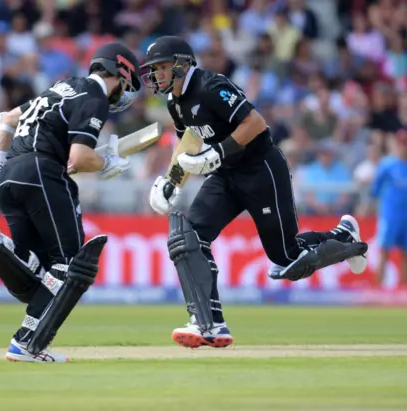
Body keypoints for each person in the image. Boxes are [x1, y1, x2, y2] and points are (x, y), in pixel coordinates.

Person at [140, 36, 368, 349]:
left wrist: (218, 151)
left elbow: (255, 123)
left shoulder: (210, 86)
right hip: (226, 174)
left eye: (162, 67)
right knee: (189, 235)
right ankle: (209, 323)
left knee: (287, 258)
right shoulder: (174, 103)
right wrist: (171, 182)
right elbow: (187, 144)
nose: (156, 75)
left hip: (261, 169)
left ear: (182, 63)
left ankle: (345, 237)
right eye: (154, 70)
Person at [0, 42, 141, 362]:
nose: (125, 94)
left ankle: (23, 334)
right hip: (41, 172)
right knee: (70, 265)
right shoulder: (94, 95)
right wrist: (107, 163)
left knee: (40, 274)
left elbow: (6, 118)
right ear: (120, 72)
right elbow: (80, 157)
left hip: (10, 175)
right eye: (128, 85)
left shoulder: (62, 86)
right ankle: (26, 341)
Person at [370, 130, 407, 286]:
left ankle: (403, 292)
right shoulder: (387, 165)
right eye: (403, 144)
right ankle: (378, 289)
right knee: (384, 251)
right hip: (390, 215)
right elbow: (375, 190)